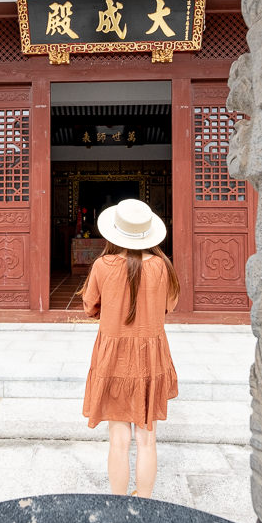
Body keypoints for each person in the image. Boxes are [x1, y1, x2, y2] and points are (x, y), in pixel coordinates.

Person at [79, 198, 180, 499]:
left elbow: (89, 306)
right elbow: (169, 306)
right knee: (148, 438)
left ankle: (119, 502)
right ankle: (145, 500)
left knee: (118, 438)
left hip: (114, 359)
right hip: (151, 357)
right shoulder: (163, 267)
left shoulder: (102, 265)